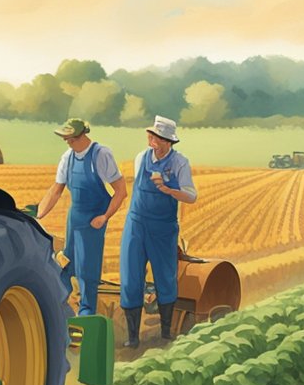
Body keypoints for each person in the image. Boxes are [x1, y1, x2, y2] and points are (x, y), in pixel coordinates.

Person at [119, 115, 197, 348]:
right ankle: (133, 337)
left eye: (155, 136)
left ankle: (165, 333)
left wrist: (168, 189)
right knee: (131, 277)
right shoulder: (141, 158)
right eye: (150, 135)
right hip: (136, 224)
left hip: (163, 227)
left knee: (165, 277)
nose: (150, 138)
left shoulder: (180, 163)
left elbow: (191, 196)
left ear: (167, 141)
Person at [36, 118, 126, 316]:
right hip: (74, 218)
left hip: (93, 222)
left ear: (80, 136)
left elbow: (121, 191)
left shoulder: (101, 154)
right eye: (66, 139)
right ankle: (59, 307)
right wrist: (39, 215)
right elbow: (56, 190)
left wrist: (104, 216)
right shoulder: (67, 157)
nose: (67, 142)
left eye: (70, 138)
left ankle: (87, 312)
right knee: (66, 263)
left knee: (87, 269)